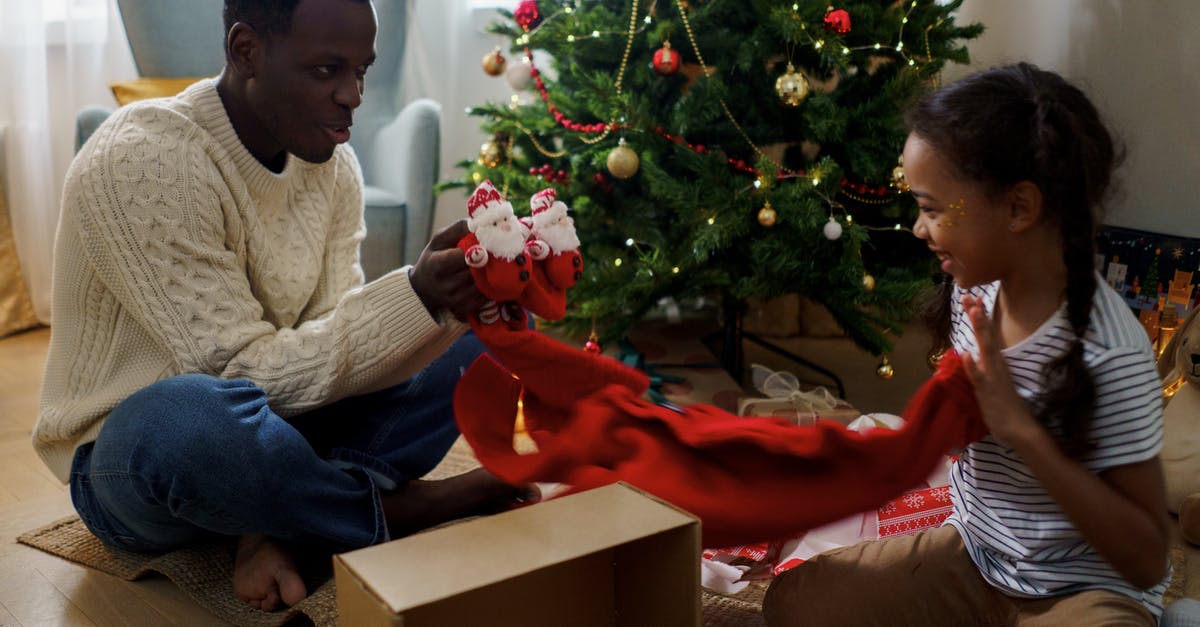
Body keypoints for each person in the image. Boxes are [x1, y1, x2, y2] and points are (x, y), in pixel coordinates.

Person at [33, 0, 532, 612]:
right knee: (189, 417)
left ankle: (284, 525)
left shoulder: (333, 164)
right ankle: (413, 507)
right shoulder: (144, 157)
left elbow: (333, 352)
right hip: (139, 462)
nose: (353, 95)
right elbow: (234, 377)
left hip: (283, 426)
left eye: (362, 70)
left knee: (475, 342)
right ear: (246, 51)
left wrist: (444, 306)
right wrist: (414, 293)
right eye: (326, 70)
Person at [762, 63, 1170, 625]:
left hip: (1085, 588)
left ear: (1019, 208)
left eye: (931, 209)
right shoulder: (973, 286)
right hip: (977, 557)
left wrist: (1022, 431)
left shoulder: (1110, 354)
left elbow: (1147, 559)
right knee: (796, 604)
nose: (917, 228)